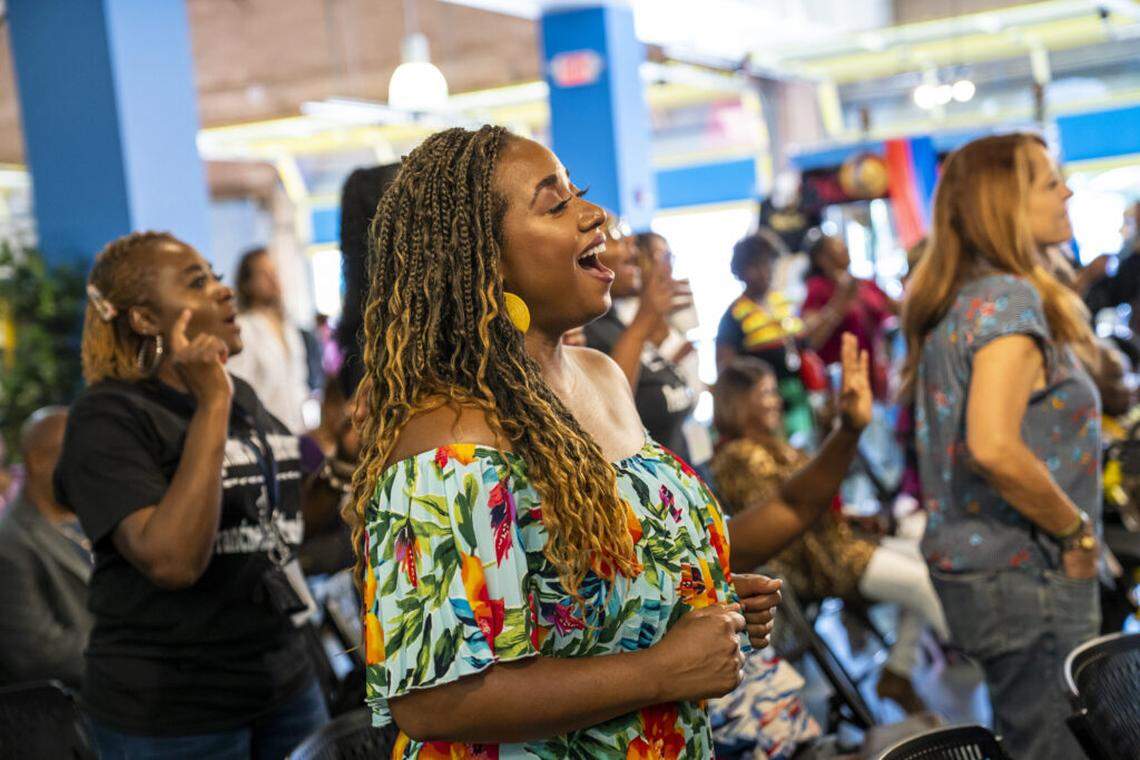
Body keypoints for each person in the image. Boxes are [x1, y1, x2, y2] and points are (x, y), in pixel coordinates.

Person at [348, 126, 784, 757]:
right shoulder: (449, 441)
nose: (595, 215)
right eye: (555, 205)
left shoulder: (602, 376)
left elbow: (588, 595)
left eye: (577, 194)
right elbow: (433, 699)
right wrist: (663, 668)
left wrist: (693, 599)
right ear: (481, 258)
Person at [54, 231, 354, 759]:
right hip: (174, 714)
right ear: (145, 319)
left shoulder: (247, 399)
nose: (223, 292)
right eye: (198, 282)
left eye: (216, 275)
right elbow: (171, 560)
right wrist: (212, 401)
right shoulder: (109, 417)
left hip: (283, 682)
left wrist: (342, 461)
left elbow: (280, 522)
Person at [901, 133, 1102, 760]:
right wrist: (1076, 534)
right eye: (1048, 181)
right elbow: (992, 445)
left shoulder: (966, 299)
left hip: (992, 577)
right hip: (1027, 573)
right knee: (1054, 747)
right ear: (1003, 204)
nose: (1065, 190)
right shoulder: (1008, 300)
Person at [711, 355, 949, 714]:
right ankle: (981, 656)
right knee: (922, 582)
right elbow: (787, 518)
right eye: (766, 393)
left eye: (775, 391)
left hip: (835, 542)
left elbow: (807, 499)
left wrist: (849, 516)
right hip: (817, 560)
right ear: (740, 402)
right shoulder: (740, 456)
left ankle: (898, 672)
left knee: (931, 562)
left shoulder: (772, 444)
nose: (776, 401)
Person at [585, 214, 697, 458]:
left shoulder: (615, 323)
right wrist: (645, 319)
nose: (633, 247)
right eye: (616, 235)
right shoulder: (584, 333)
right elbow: (612, 413)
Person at [0, 407, 93, 689]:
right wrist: (131, 652)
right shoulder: (10, 543)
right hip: (75, 715)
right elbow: (37, 653)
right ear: (39, 461)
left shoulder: (90, 520)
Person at [716, 229, 814, 442]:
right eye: (756, 266)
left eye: (768, 263)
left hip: (801, 401)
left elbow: (805, 343)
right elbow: (727, 373)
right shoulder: (734, 316)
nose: (764, 272)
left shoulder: (782, 302)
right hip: (765, 411)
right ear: (740, 271)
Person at [801, 232, 898, 400]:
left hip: (875, 375)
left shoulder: (865, 284)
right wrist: (839, 302)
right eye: (838, 246)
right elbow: (811, 339)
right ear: (822, 258)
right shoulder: (818, 289)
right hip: (842, 383)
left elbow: (895, 310)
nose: (845, 248)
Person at [226, 246, 311, 433]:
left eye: (274, 272)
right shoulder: (243, 328)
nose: (273, 279)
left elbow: (299, 385)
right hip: (264, 435)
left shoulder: (289, 328)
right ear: (247, 283)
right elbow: (240, 388)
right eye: (264, 274)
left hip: (298, 432)